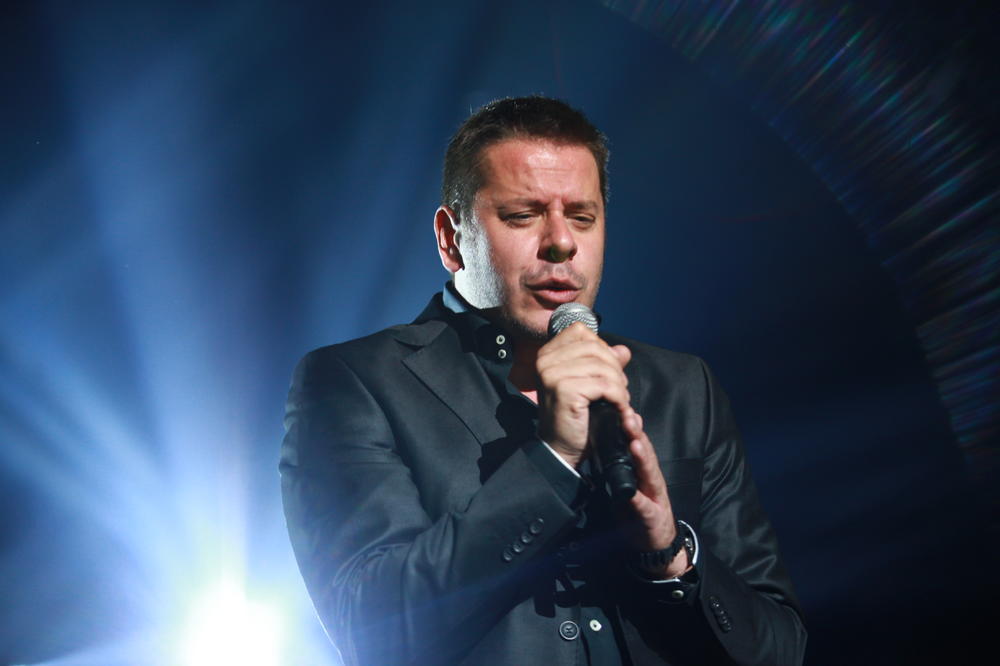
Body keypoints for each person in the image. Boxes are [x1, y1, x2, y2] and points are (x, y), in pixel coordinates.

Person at [280, 96, 806, 665]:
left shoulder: (682, 388)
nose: (562, 242)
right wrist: (552, 462)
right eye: (522, 215)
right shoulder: (356, 382)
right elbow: (371, 628)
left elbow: (781, 650)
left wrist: (668, 554)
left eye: (582, 216)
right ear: (451, 239)